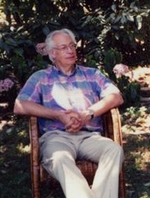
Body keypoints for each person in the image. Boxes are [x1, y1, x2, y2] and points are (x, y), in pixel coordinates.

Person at [13, 28, 124, 198]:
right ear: (52, 53)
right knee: (59, 159)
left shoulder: (91, 74)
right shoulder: (41, 77)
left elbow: (116, 96)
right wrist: (58, 115)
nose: (71, 50)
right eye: (64, 47)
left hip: (89, 136)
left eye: (72, 45)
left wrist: (88, 114)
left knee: (114, 150)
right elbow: (20, 105)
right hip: (56, 137)